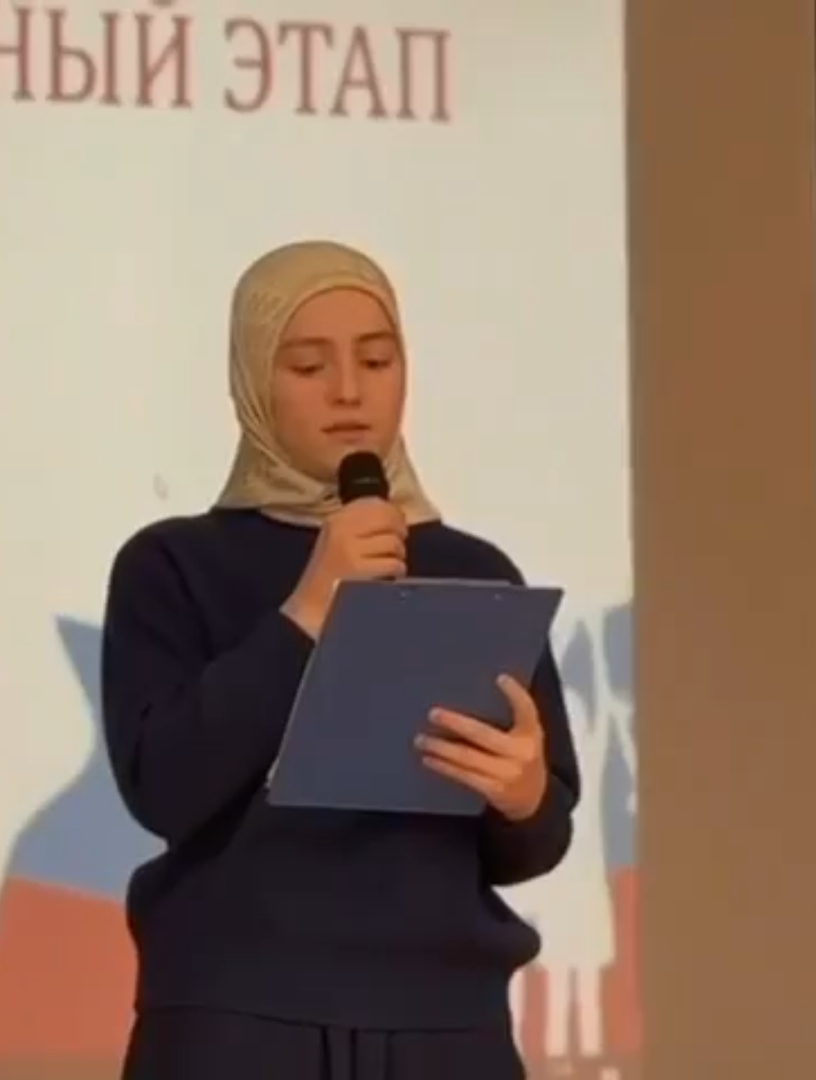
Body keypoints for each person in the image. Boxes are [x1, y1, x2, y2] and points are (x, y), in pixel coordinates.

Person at [100, 239, 581, 1080]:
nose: (349, 391)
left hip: (445, 1027)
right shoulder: (171, 565)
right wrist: (311, 606)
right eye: (308, 365)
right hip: (234, 1019)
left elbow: (532, 845)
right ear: (254, 380)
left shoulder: (476, 573)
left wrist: (525, 794)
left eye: (377, 360)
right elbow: (165, 786)